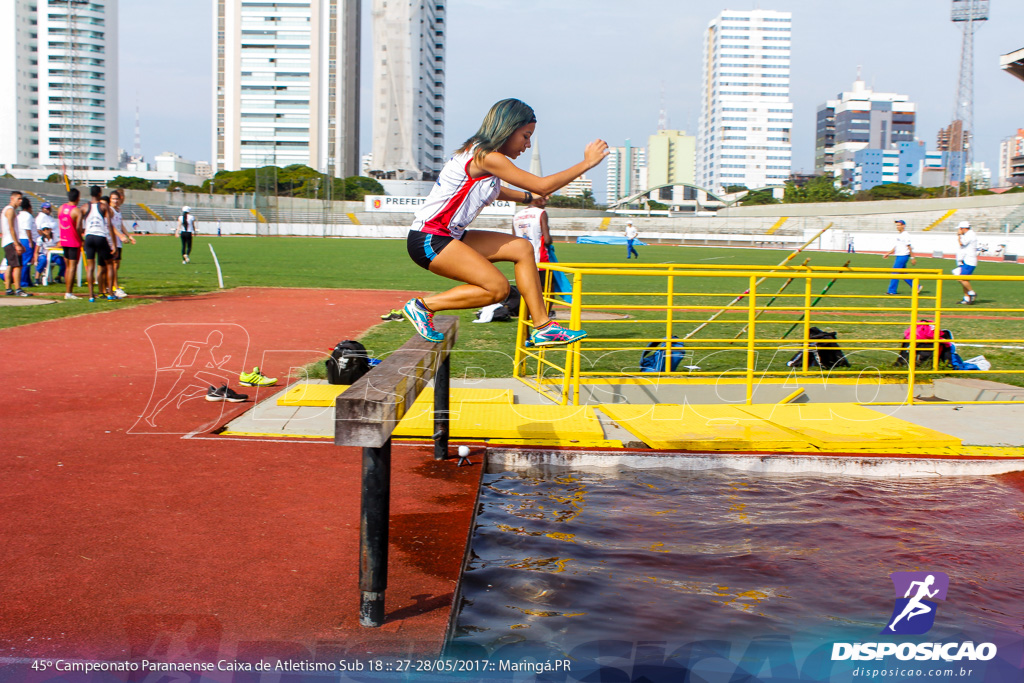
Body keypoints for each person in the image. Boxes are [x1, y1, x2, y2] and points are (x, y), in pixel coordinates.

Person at [401, 98, 607, 347]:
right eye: (525, 136)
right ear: (508, 130)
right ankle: (422, 306)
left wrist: (528, 198)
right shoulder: (487, 157)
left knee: (522, 248)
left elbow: (496, 191)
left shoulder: (483, 157)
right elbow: (542, 184)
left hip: (449, 235)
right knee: (497, 289)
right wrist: (587, 163)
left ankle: (543, 327)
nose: (527, 145)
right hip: (430, 238)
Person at [512, 196, 552, 304]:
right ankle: (545, 315)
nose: (546, 201)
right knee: (547, 288)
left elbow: (514, 239)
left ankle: (526, 315)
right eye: (544, 198)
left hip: (522, 259)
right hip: (539, 258)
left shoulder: (517, 216)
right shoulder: (541, 213)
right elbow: (547, 240)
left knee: (527, 288)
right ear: (538, 200)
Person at [82, 185, 116, 302]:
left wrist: (82, 238)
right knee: (109, 264)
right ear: (100, 193)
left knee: (90, 267)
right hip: (100, 236)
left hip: (89, 237)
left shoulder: (84, 207)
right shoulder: (103, 206)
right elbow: (109, 225)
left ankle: (91, 295)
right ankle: (110, 293)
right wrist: (114, 244)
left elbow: (78, 226)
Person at [59, 187, 85, 299]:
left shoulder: (61, 208)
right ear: (78, 198)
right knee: (72, 267)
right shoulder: (76, 211)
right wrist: (82, 239)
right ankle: (69, 293)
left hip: (64, 240)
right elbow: (79, 227)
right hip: (73, 241)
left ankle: (67, 291)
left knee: (68, 267)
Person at [882, 219, 920, 295]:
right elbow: (896, 246)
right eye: (897, 225)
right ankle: (916, 286)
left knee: (895, 272)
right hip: (899, 255)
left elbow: (909, 246)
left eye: (899, 225)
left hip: (903, 255)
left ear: (903, 226)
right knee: (902, 273)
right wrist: (888, 253)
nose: (897, 227)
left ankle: (891, 291)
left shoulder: (905, 235)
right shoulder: (900, 235)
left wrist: (913, 258)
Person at [2, 190, 29, 296]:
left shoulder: (9, 210)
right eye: (19, 199)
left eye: (21, 199)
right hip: (10, 241)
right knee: (17, 266)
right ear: (12, 199)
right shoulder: (10, 210)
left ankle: (8, 288)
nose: (21, 201)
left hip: (8, 241)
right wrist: (17, 243)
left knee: (10, 265)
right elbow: (11, 228)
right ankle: (18, 289)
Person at [109, 189, 135, 297]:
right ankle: (115, 287)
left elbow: (120, 225)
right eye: (114, 199)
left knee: (117, 264)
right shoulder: (110, 210)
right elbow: (110, 225)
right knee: (113, 265)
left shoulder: (118, 210)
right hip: (112, 240)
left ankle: (110, 285)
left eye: (117, 199)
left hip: (118, 240)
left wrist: (128, 235)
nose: (116, 201)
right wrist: (120, 235)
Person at [35, 201, 62, 284]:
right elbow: (39, 229)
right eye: (46, 208)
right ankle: (37, 277)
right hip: (44, 249)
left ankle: (57, 277)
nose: (48, 210)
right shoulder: (41, 217)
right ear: (42, 208)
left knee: (61, 261)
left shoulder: (49, 217)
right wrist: (44, 237)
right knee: (43, 260)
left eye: (49, 208)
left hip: (54, 241)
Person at [16, 196, 39, 288]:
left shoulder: (19, 215)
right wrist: (30, 241)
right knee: (27, 262)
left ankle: (28, 281)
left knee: (25, 261)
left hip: (20, 238)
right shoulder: (28, 216)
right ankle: (24, 282)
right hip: (26, 240)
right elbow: (27, 229)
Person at [954, 221, 978, 305]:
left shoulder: (970, 235)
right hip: (965, 259)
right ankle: (966, 298)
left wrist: (959, 235)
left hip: (969, 260)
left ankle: (972, 293)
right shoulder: (968, 235)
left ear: (963, 228)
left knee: (961, 278)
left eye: (960, 229)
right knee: (964, 279)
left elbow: (962, 243)